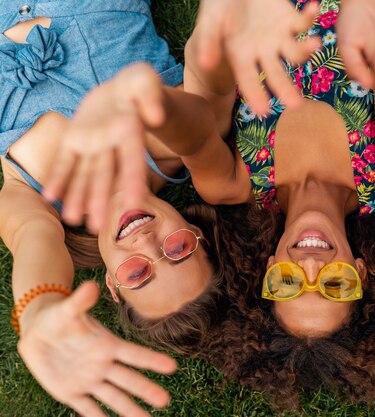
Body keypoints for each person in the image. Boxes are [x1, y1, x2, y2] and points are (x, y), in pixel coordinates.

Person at [0, 2, 274, 415]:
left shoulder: (40, 205)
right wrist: (141, 101)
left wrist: (40, 310)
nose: (147, 244)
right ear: (196, 228)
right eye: (178, 250)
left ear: (112, 284)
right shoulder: (173, 148)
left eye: (138, 274)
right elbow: (202, 105)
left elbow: (30, 238)